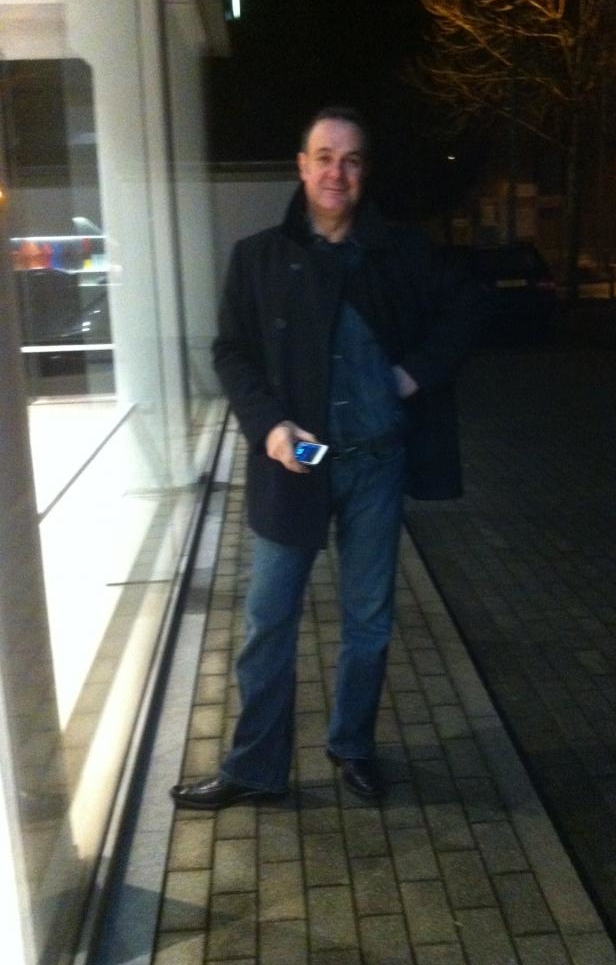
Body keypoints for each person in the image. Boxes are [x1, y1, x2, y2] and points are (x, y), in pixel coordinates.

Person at [170, 106, 486, 810]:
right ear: (301, 166)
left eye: (351, 160)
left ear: (364, 172)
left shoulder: (400, 252)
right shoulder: (258, 257)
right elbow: (232, 352)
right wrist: (268, 426)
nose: (336, 172)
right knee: (268, 622)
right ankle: (255, 767)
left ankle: (353, 747)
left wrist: (416, 373)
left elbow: (470, 304)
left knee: (369, 621)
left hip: (377, 465)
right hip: (296, 466)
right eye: (323, 157)